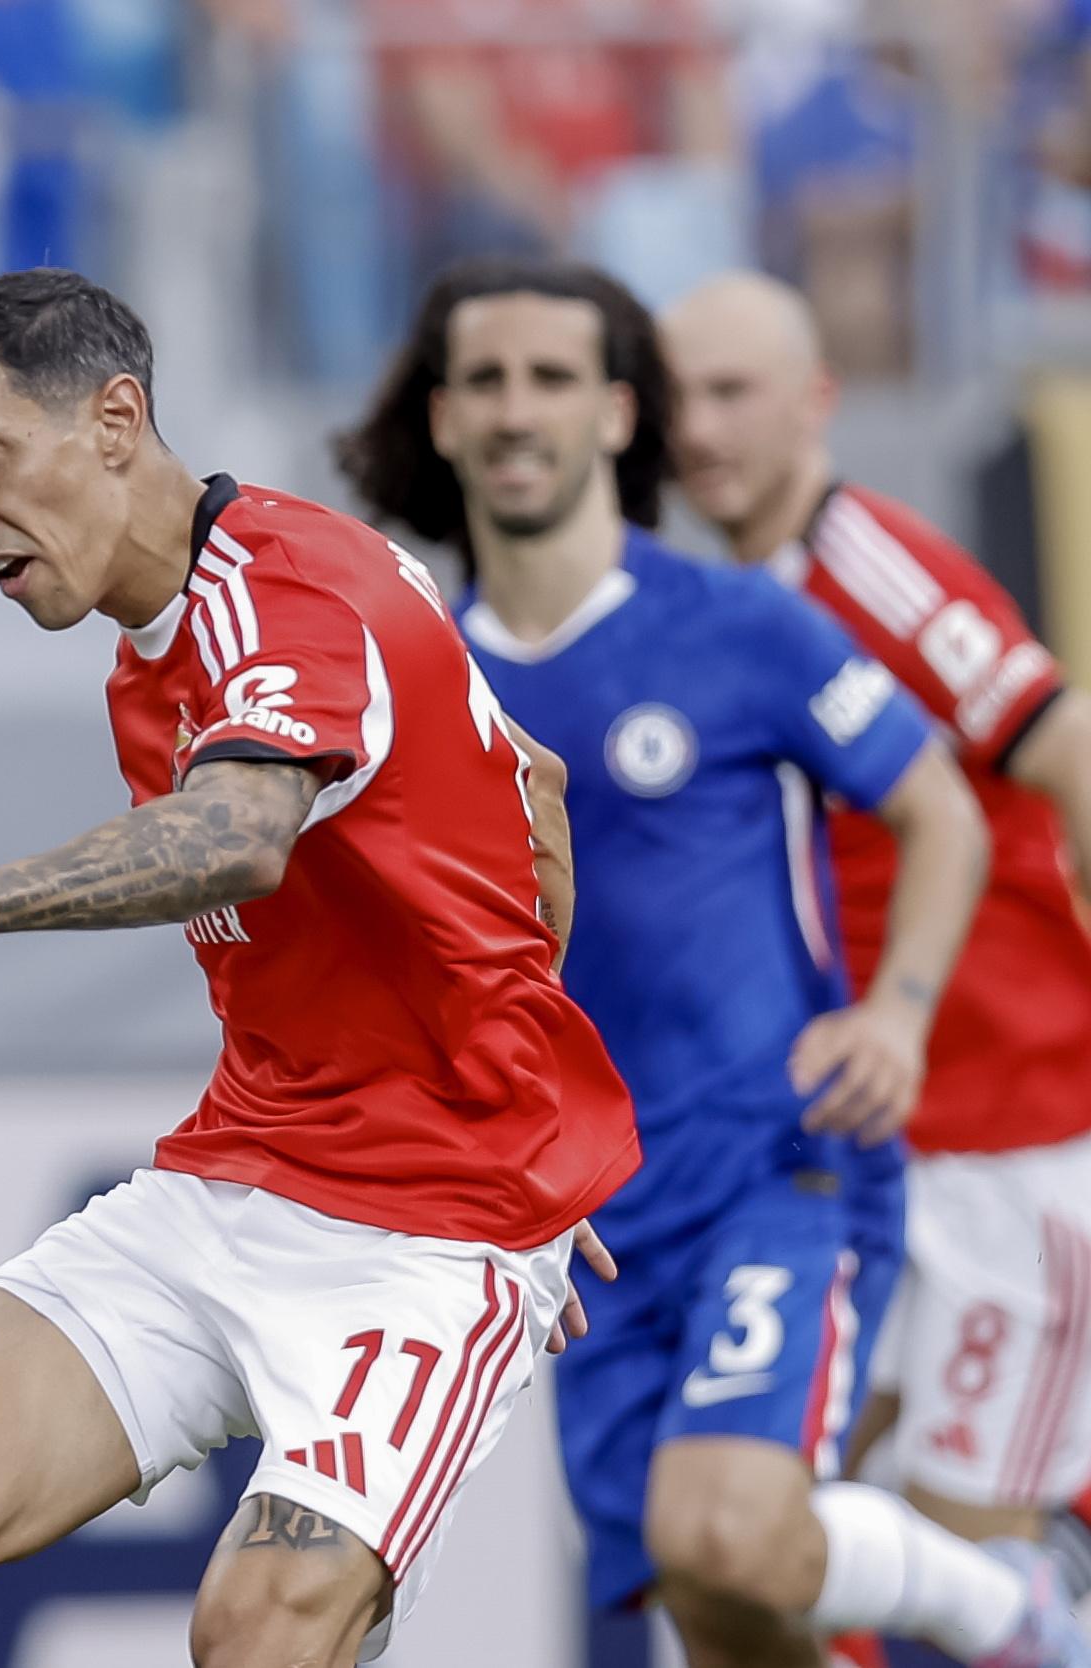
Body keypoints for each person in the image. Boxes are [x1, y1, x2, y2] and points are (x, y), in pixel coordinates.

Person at [0, 267, 634, 1668]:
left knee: (255, 1632)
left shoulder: (289, 595)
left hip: (433, 1234)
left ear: (116, 418)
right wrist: (523, 1083)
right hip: (238, 1178)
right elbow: (533, 793)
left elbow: (236, 838)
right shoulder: (169, 639)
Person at [335, 255, 1080, 1668]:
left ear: (620, 414)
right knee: (714, 1603)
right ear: (440, 417)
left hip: (777, 1168)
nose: (516, 410)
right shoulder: (410, 679)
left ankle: (1012, 1608)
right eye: (484, 380)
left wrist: (899, 1013)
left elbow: (944, 808)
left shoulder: (743, 623)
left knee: (730, 1527)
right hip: (585, 1229)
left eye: (552, 377)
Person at [665, 270, 1091, 1583]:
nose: (700, 430)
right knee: (768, 1538)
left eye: (732, 393)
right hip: (877, 1150)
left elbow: (1069, 747)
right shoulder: (732, 604)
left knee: (974, 1561)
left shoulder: (874, 568)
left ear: (818, 401)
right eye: (677, 399)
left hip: (1009, 1146)